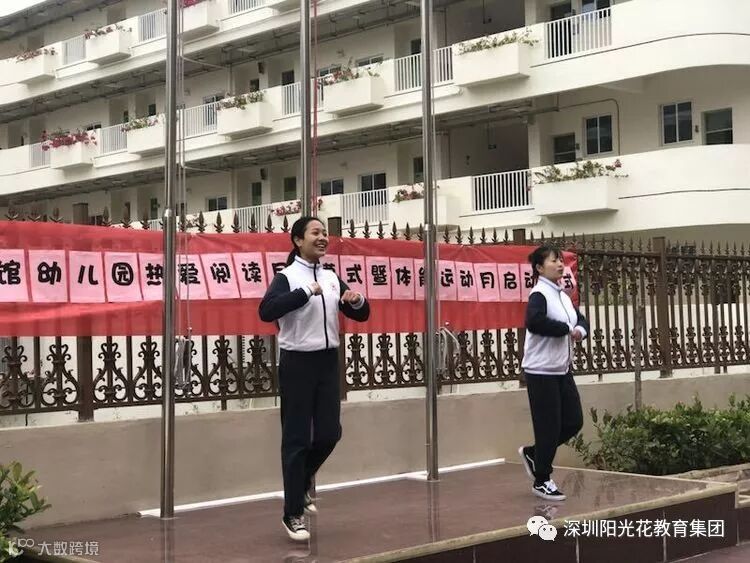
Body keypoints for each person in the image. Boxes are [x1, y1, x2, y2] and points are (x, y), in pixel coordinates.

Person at [259, 216, 370, 542]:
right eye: (315, 233)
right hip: (297, 362)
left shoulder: (332, 277)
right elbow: (267, 311)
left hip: (327, 362)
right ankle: (292, 513)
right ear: (298, 240)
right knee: (296, 439)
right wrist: (305, 292)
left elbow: (361, 313)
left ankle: (301, 482)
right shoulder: (287, 277)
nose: (322, 238)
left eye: (324, 233)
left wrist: (357, 300)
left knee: (329, 433)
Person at [517, 244, 588, 501]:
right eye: (553, 261)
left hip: (562, 369)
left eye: (560, 260)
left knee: (574, 421)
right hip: (541, 371)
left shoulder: (562, 296)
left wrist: (580, 330)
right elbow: (534, 322)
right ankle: (542, 480)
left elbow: (580, 320)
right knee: (548, 426)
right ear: (539, 267)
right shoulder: (539, 294)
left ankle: (534, 454)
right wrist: (565, 329)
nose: (560, 264)